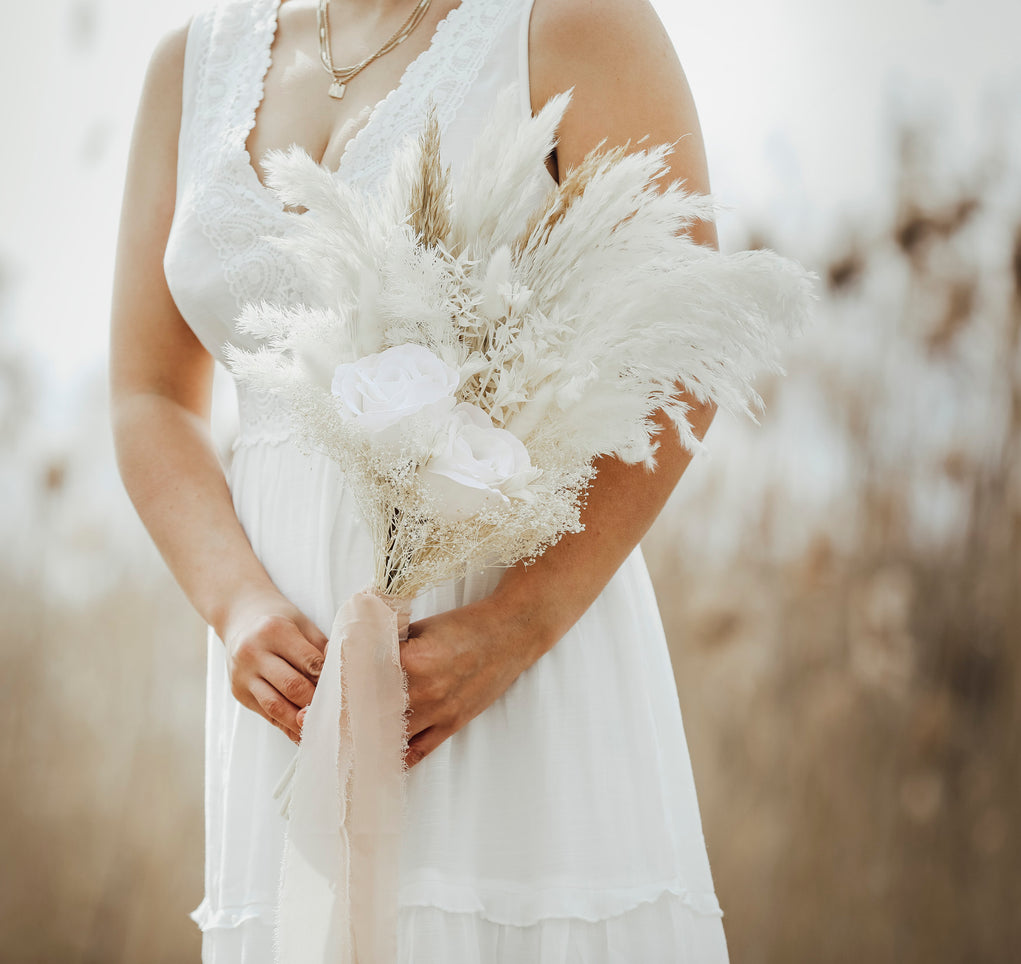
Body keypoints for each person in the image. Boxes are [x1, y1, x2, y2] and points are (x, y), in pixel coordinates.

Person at [110, 0, 730, 958]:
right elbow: (149, 393)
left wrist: (513, 628)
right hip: (289, 693)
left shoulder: (570, 21)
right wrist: (234, 603)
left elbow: (683, 348)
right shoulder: (189, 67)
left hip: (510, 657)